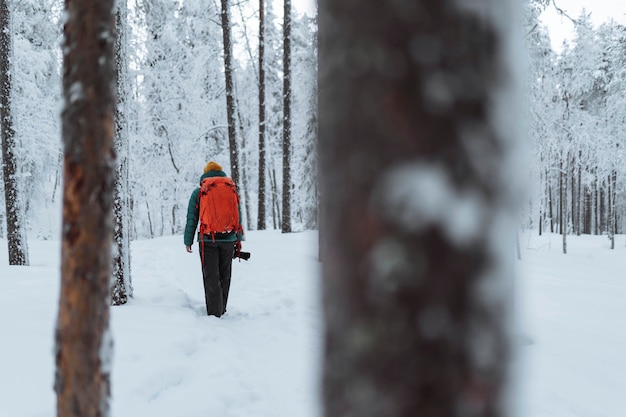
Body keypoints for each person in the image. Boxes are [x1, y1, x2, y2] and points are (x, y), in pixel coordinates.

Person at [184, 161, 243, 317]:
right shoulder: (231, 189)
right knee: (225, 275)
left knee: (211, 276)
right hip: (229, 239)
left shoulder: (199, 192)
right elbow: (238, 215)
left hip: (208, 240)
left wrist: (188, 240)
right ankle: (222, 309)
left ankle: (214, 313)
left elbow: (192, 218)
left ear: (205, 174)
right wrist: (238, 238)